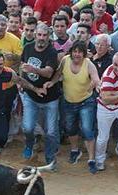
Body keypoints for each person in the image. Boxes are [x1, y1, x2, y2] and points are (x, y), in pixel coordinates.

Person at [47, 41, 101, 172]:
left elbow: (96, 79)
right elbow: (58, 74)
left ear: (84, 54)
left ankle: (92, 159)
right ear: (71, 52)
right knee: (70, 129)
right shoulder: (65, 60)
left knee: (87, 129)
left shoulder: (89, 64)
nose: (77, 54)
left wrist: (95, 84)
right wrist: (52, 82)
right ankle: (75, 150)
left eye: (80, 52)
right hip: (68, 101)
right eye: (75, 51)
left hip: (86, 102)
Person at [20, 22, 60, 168]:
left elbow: (49, 72)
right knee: (28, 128)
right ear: (35, 35)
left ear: (49, 37)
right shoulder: (28, 47)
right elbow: (22, 67)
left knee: (51, 132)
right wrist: (21, 81)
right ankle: (30, 145)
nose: (41, 38)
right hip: (30, 95)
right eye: (39, 35)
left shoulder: (51, 51)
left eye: (44, 35)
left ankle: (49, 158)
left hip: (50, 97)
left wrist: (34, 69)